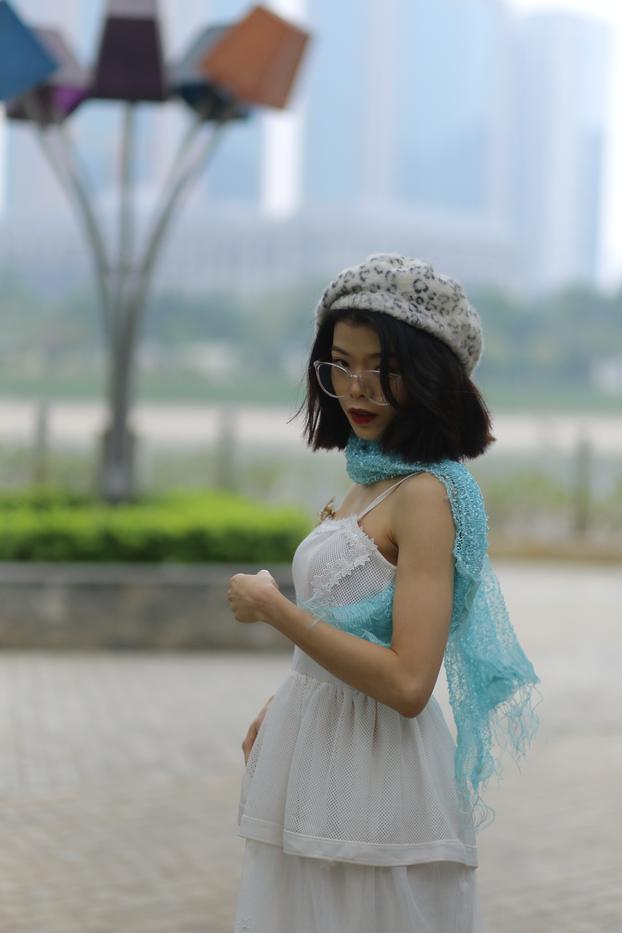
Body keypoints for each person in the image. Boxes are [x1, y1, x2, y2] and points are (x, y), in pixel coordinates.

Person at [227, 253, 542, 933]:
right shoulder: (369, 477)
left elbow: (407, 682)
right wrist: (293, 693)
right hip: (318, 760)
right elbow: (355, 631)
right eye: (341, 363)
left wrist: (276, 609)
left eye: (383, 367)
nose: (357, 387)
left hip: (378, 783)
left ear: (430, 375)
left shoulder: (428, 495)